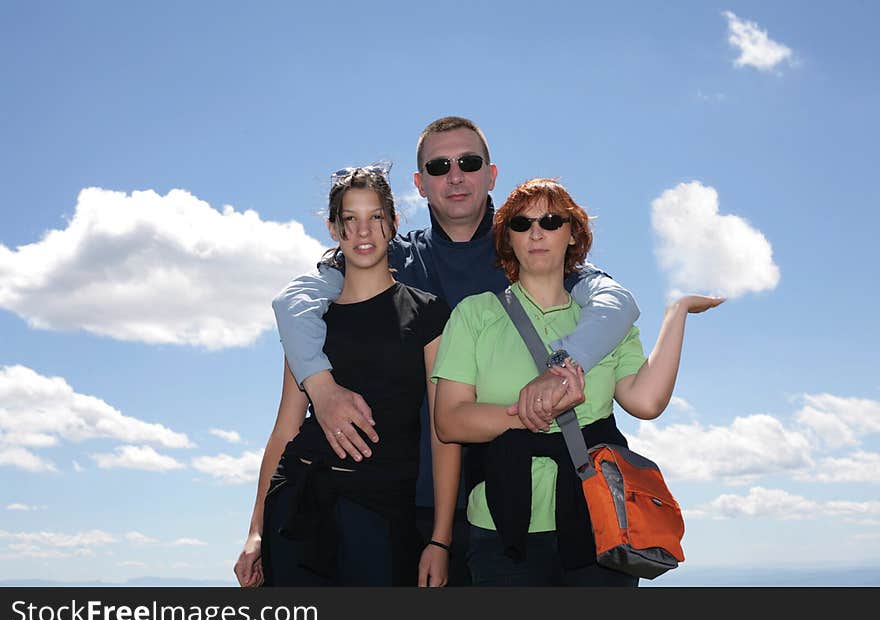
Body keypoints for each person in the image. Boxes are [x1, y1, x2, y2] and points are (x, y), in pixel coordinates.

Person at [269, 117, 641, 585]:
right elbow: (295, 301)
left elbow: (616, 301)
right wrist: (321, 388)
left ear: (492, 174)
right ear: (419, 184)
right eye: (439, 166)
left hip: (529, 510)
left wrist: (562, 367)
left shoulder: (530, 244)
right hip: (407, 507)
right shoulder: (388, 257)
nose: (455, 175)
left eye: (468, 162)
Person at [431, 178, 723, 586]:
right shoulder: (474, 315)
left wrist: (677, 313)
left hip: (597, 523)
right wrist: (531, 412)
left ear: (573, 235)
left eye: (551, 221)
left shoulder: (604, 326)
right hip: (500, 527)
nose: (536, 233)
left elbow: (645, 402)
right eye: (521, 223)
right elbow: (449, 420)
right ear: (506, 239)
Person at [234, 164, 459, 586]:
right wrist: (255, 531)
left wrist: (440, 539)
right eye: (350, 220)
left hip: (380, 512)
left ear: (392, 223)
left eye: (375, 217)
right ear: (333, 228)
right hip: (296, 505)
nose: (363, 232)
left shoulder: (429, 313)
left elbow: (441, 431)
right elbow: (285, 427)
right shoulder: (311, 321)